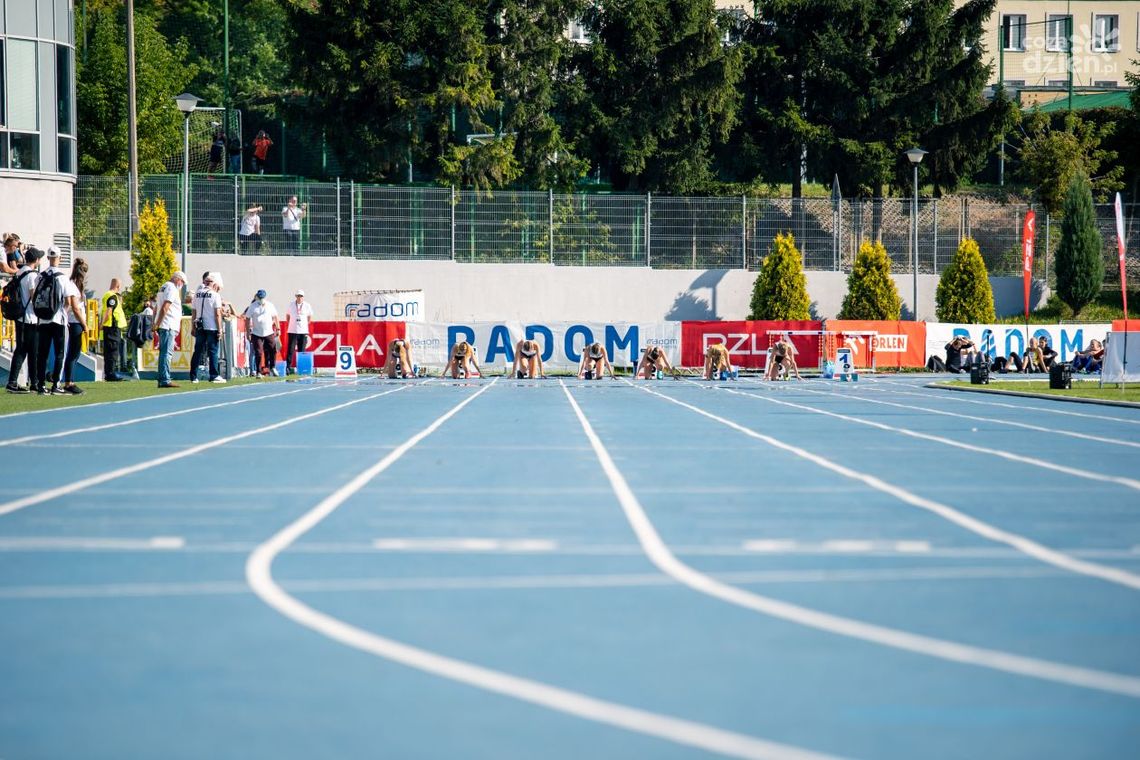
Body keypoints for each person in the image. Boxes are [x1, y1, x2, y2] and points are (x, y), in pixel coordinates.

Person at [5, 246, 41, 394]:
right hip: (29, 317)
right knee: (26, 350)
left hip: (20, 315)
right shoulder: (32, 275)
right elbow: (34, 297)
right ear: (36, 260)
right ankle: (16, 382)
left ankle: (32, 382)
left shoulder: (20, 272)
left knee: (26, 349)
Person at [34, 247, 69, 395]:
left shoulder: (39, 276)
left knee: (42, 353)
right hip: (58, 319)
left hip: (43, 320)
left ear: (48, 258)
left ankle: (41, 385)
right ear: (59, 258)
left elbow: (35, 298)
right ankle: (56, 384)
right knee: (60, 353)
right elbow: (67, 301)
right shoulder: (62, 276)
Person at [59, 258, 89, 395]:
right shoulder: (73, 286)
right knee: (73, 353)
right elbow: (76, 309)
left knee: (75, 354)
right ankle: (68, 383)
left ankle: (68, 380)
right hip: (74, 322)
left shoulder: (76, 286)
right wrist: (84, 324)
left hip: (76, 322)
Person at [190, 272, 226, 383]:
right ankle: (214, 375)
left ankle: (193, 376)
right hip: (211, 326)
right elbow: (217, 314)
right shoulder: (215, 295)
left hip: (200, 325)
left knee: (198, 351)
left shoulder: (197, 294)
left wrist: (193, 326)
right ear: (213, 283)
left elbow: (194, 311)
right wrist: (220, 329)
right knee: (213, 351)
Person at [154, 271, 186, 388]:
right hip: (168, 324)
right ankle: (165, 379)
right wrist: (157, 323)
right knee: (166, 353)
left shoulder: (163, 287)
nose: (181, 285)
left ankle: (163, 378)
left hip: (164, 324)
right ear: (178, 279)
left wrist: (156, 323)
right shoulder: (172, 288)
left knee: (164, 352)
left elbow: (157, 307)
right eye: (182, 282)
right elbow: (164, 308)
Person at [242, 289, 280, 376]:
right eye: (259, 297)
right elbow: (247, 318)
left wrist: (278, 329)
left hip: (269, 332)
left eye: (262, 297)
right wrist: (248, 332)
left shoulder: (270, 305)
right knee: (258, 352)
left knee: (273, 349)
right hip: (256, 333)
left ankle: (273, 367)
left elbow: (275, 316)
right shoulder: (253, 306)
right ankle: (258, 371)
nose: (261, 299)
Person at [99, 278, 128, 381]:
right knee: (113, 351)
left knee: (109, 351)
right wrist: (101, 325)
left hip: (110, 327)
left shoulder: (107, 295)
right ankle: (111, 373)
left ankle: (109, 373)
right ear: (118, 286)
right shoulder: (112, 296)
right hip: (112, 327)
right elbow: (109, 311)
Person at [284, 288, 314, 374]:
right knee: (290, 350)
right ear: (296, 296)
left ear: (303, 297)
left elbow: (309, 317)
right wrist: (291, 323)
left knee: (302, 351)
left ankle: (301, 368)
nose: (299, 298)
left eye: (301, 296)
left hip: (303, 331)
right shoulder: (291, 304)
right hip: (293, 330)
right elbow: (287, 316)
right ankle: (288, 368)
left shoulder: (307, 305)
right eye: (298, 296)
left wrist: (305, 324)